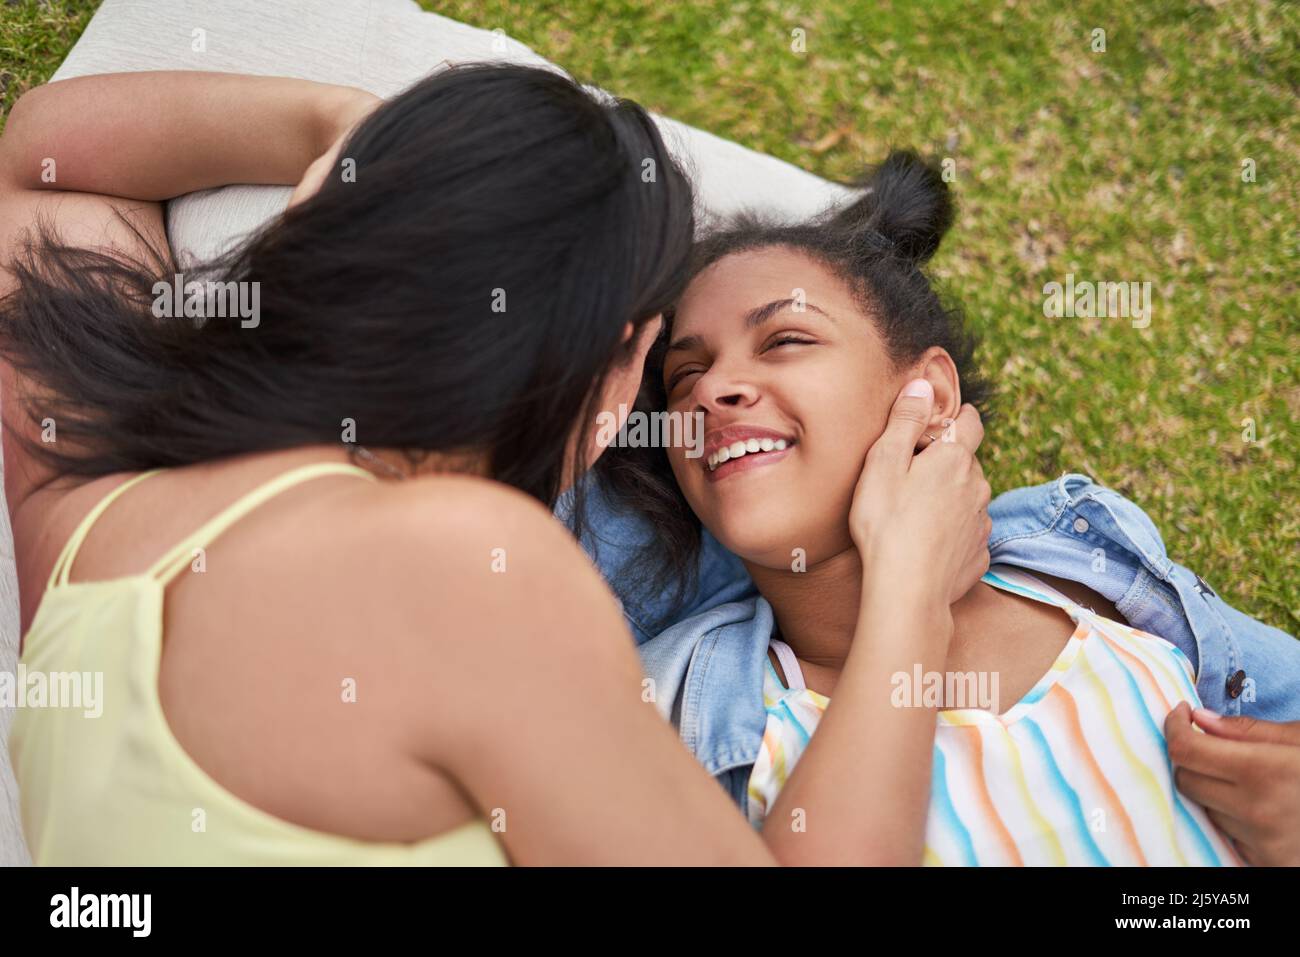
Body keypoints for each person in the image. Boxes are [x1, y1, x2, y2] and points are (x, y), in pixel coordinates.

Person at [0, 67, 990, 865]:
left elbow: (46, 152)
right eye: (665, 363)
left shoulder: (87, 488)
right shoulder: (468, 568)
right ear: (611, 378)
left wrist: (353, 139)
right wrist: (908, 587)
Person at [604, 149, 1300, 864]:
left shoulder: (1092, 567)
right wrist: (908, 593)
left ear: (929, 397)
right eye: (686, 373)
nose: (714, 388)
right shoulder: (675, 709)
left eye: (785, 339)